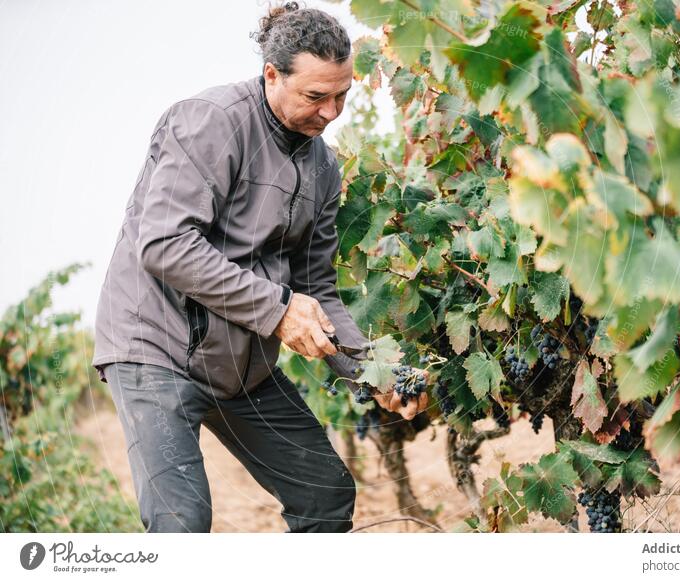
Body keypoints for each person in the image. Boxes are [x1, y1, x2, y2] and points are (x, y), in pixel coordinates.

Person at [91, 2, 428, 533]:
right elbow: (163, 243)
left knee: (326, 494)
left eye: (342, 95)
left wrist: (374, 374)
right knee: (182, 522)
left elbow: (316, 288)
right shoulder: (209, 122)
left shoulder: (322, 166)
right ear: (272, 75)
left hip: (240, 362)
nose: (331, 112)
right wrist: (277, 312)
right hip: (153, 349)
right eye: (316, 96)